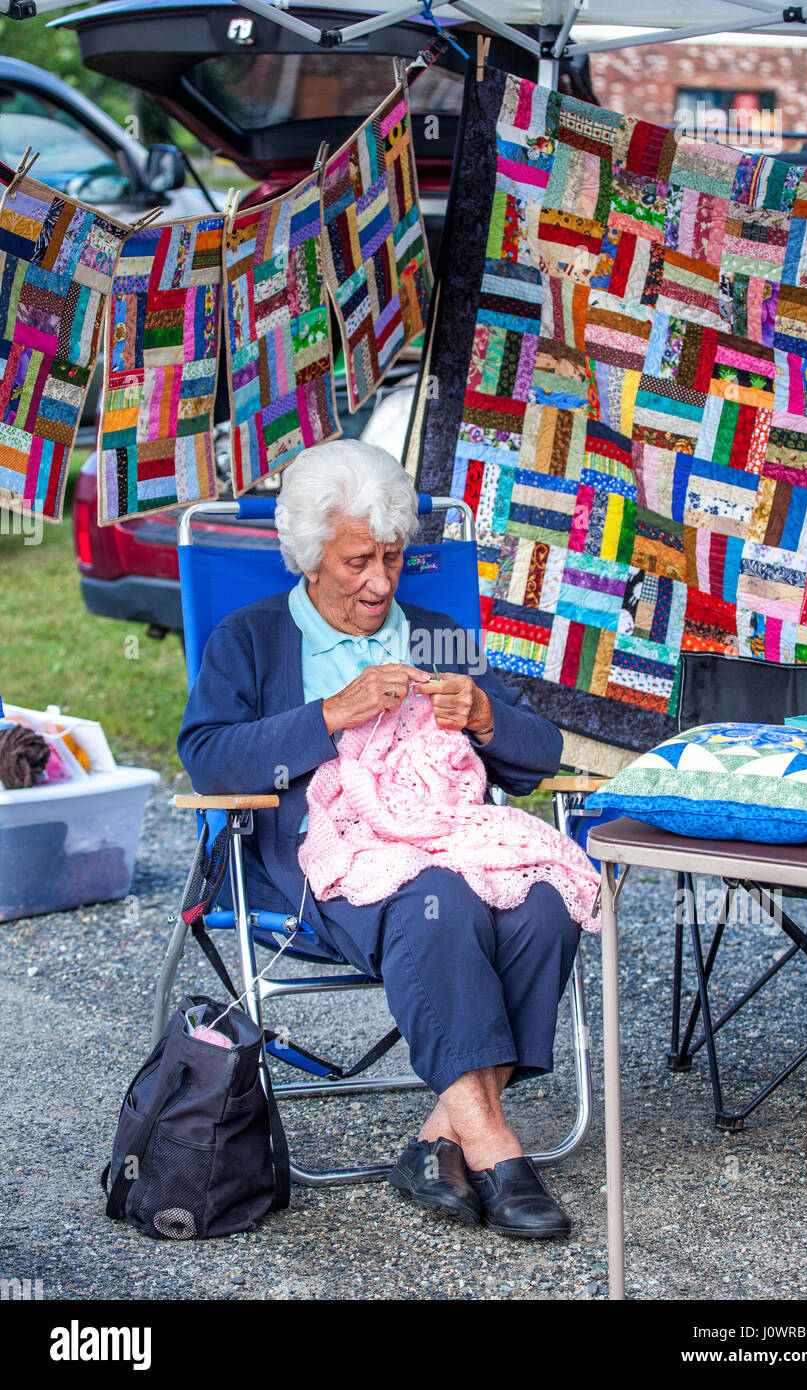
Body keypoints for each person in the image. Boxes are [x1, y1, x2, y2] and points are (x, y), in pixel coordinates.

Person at [178, 439, 585, 1239]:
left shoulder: (433, 634)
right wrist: (331, 714)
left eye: (393, 558)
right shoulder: (253, 640)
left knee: (543, 896)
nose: (381, 583)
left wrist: (483, 716)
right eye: (359, 561)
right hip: (318, 857)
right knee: (436, 900)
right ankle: (498, 1148)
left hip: (449, 834)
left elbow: (542, 756)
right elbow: (207, 756)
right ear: (309, 556)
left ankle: (441, 1137)